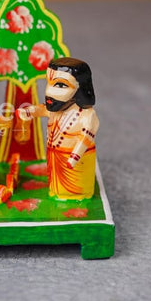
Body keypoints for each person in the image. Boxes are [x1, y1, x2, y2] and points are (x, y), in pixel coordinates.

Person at [17, 57, 99, 200]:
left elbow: (86, 136)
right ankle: (56, 193)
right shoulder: (55, 110)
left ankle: (80, 196)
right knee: (55, 189)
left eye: (60, 85)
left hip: (77, 164)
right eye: (48, 83)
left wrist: (74, 157)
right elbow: (41, 109)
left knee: (77, 192)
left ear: (80, 87)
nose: (49, 91)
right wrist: (28, 112)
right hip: (54, 158)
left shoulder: (87, 115)